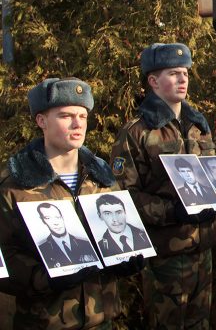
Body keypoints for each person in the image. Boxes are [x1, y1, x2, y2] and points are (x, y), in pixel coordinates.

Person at [0, 78, 128, 329]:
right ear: (41, 121)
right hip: (46, 320)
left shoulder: (101, 177)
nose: (78, 123)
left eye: (83, 115)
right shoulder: (15, 184)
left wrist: (127, 256)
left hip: (101, 317)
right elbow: (4, 256)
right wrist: (41, 278)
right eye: (66, 115)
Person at [110, 43, 216, 329]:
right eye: (173, 73)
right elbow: (123, 198)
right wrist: (172, 212)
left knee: (200, 323)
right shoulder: (137, 132)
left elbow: (212, 176)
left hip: (203, 247)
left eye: (185, 73)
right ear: (153, 81)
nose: (183, 79)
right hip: (167, 253)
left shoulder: (199, 125)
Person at [37, 202, 98, 267]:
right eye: (48, 218)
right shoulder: (42, 249)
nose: (55, 222)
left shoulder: (85, 243)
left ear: (62, 217)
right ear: (43, 221)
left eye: (57, 217)